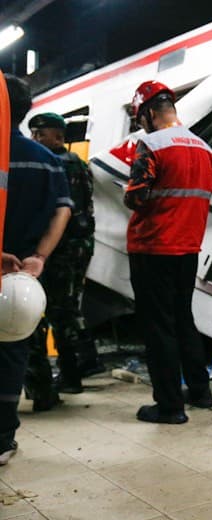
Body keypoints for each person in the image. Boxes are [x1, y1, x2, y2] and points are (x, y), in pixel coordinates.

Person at [125, 80, 212, 424]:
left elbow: (137, 195)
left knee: (158, 327)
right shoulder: (203, 147)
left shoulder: (151, 143)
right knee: (183, 319)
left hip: (153, 247)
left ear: (148, 113)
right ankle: (200, 392)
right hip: (188, 247)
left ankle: (169, 407)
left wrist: (126, 194)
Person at [0, 75, 73, 463]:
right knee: (13, 352)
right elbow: (63, 208)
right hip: (20, 280)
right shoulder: (46, 159)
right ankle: (2, 438)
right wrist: (39, 256)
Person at [25, 112, 101, 396]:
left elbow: (56, 211)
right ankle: (81, 366)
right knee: (67, 307)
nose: (35, 139)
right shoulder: (78, 163)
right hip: (78, 245)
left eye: (39, 133)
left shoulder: (57, 164)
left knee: (60, 310)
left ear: (56, 135)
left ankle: (72, 373)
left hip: (63, 248)